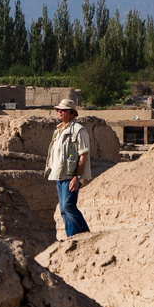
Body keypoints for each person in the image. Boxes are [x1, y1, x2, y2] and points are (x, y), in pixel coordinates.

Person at [45, 98, 91, 236]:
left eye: (63, 110)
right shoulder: (58, 131)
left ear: (72, 113)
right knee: (63, 211)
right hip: (60, 176)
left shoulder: (79, 130)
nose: (60, 112)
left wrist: (77, 177)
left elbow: (83, 155)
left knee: (68, 206)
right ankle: (72, 237)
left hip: (71, 176)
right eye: (59, 110)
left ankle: (85, 234)